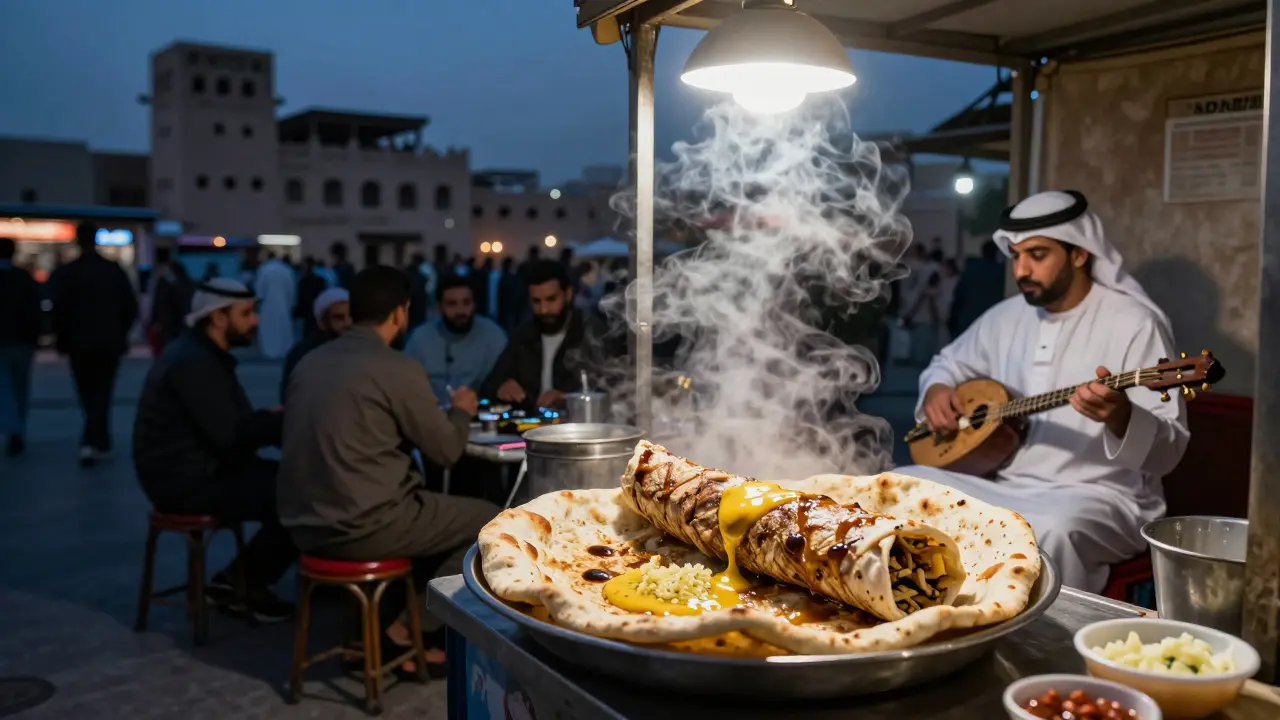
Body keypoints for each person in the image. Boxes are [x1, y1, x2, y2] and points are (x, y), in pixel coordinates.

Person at [896, 190, 1188, 592]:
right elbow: (946, 363)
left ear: (1079, 253)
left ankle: (1044, 648)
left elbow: (1170, 450)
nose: (1021, 270)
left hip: (1101, 496)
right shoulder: (1004, 317)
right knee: (900, 486)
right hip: (1003, 482)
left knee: (1051, 531)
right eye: (1015, 256)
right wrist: (937, 390)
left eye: (1037, 255)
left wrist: (1121, 416)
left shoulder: (1135, 323)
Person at [278, 266, 497, 672]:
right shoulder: (396, 366)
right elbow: (446, 451)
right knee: (488, 522)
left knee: (432, 510)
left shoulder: (308, 362)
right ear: (400, 313)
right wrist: (462, 413)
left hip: (302, 524)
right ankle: (402, 635)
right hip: (363, 525)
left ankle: (384, 628)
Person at [132, 278, 297, 621]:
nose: (255, 322)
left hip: (196, 471)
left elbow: (223, 426)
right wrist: (280, 424)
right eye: (247, 313)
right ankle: (241, 586)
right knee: (305, 496)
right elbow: (229, 436)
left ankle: (239, 582)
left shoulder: (200, 354)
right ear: (219, 318)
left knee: (296, 484)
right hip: (188, 482)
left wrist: (264, 419)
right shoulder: (195, 362)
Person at [49, 223, 139, 466]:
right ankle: (98, 438)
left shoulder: (68, 273)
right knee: (103, 390)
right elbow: (130, 306)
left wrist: (60, 337)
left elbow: (58, 310)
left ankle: (93, 439)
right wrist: (122, 332)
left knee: (86, 391)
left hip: (78, 342)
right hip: (109, 341)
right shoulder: (112, 270)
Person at [481, 260, 605, 410]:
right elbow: (489, 386)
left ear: (568, 294)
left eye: (551, 299)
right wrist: (501, 389)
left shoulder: (592, 334)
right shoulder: (523, 335)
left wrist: (568, 398)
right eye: (536, 301)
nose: (544, 310)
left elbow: (610, 388)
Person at [405, 273, 507, 402]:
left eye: (466, 303)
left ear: (474, 305)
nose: (460, 311)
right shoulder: (419, 339)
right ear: (439, 307)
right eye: (452, 304)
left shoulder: (494, 336)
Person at [0, 237, 40, 456]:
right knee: (19, 386)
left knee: (5, 387)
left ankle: (11, 427)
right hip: (21, 342)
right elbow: (34, 310)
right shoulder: (23, 278)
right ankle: (17, 429)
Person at [280, 287, 351, 400]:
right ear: (322, 322)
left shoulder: (364, 349)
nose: (347, 323)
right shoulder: (303, 353)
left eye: (351, 317)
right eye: (339, 318)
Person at [949, 240, 1007, 337]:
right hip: (991, 322)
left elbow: (959, 296)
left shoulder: (971, 269)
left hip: (968, 321)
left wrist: (953, 318)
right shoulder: (1001, 272)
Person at [147, 247, 195, 355]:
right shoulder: (188, 283)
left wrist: (156, 321)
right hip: (182, 323)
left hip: (168, 325)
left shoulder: (164, 281)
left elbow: (159, 303)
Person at [253, 253, 296, 359]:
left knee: (268, 329)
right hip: (284, 305)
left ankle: (269, 351)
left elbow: (260, 289)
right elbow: (291, 289)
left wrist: (258, 302)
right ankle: (283, 350)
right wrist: (291, 303)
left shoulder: (264, 269)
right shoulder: (286, 270)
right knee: (283, 328)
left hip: (267, 306)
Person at [293, 257, 329, 341]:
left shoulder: (303, 281)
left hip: (307, 313)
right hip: (316, 311)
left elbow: (300, 299)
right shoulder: (320, 280)